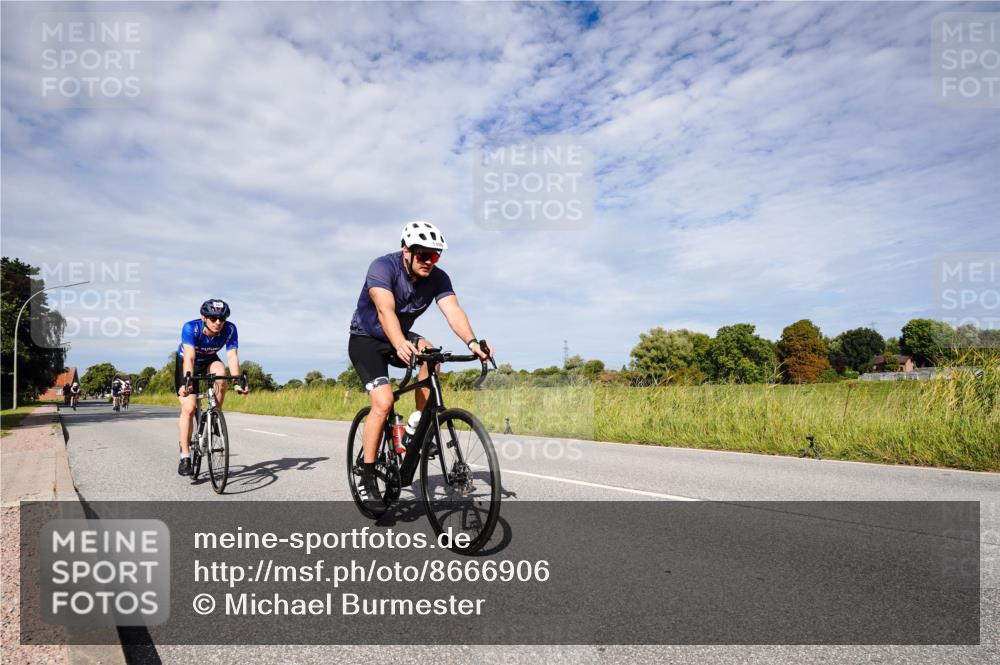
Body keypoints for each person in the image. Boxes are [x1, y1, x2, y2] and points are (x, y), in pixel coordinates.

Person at [348, 221, 493, 513]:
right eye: (423, 254)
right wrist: (399, 342)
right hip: (366, 339)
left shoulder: (438, 278)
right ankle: (366, 472)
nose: (429, 261)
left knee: (432, 353)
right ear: (407, 252)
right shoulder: (382, 267)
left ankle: (417, 424)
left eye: (435, 255)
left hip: (400, 336)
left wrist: (473, 342)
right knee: (384, 401)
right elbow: (384, 309)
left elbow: (453, 311)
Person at [174, 299, 248, 476]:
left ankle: (215, 414)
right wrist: (188, 382)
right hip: (188, 363)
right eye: (213, 319)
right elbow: (190, 358)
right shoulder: (191, 328)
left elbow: (232, 357)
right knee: (189, 408)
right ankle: (185, 456)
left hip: (209, 360)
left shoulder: (230, 329)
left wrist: (238, 381)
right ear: (204, 317)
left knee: (222, 375)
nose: (218, 323)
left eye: (221, 319)